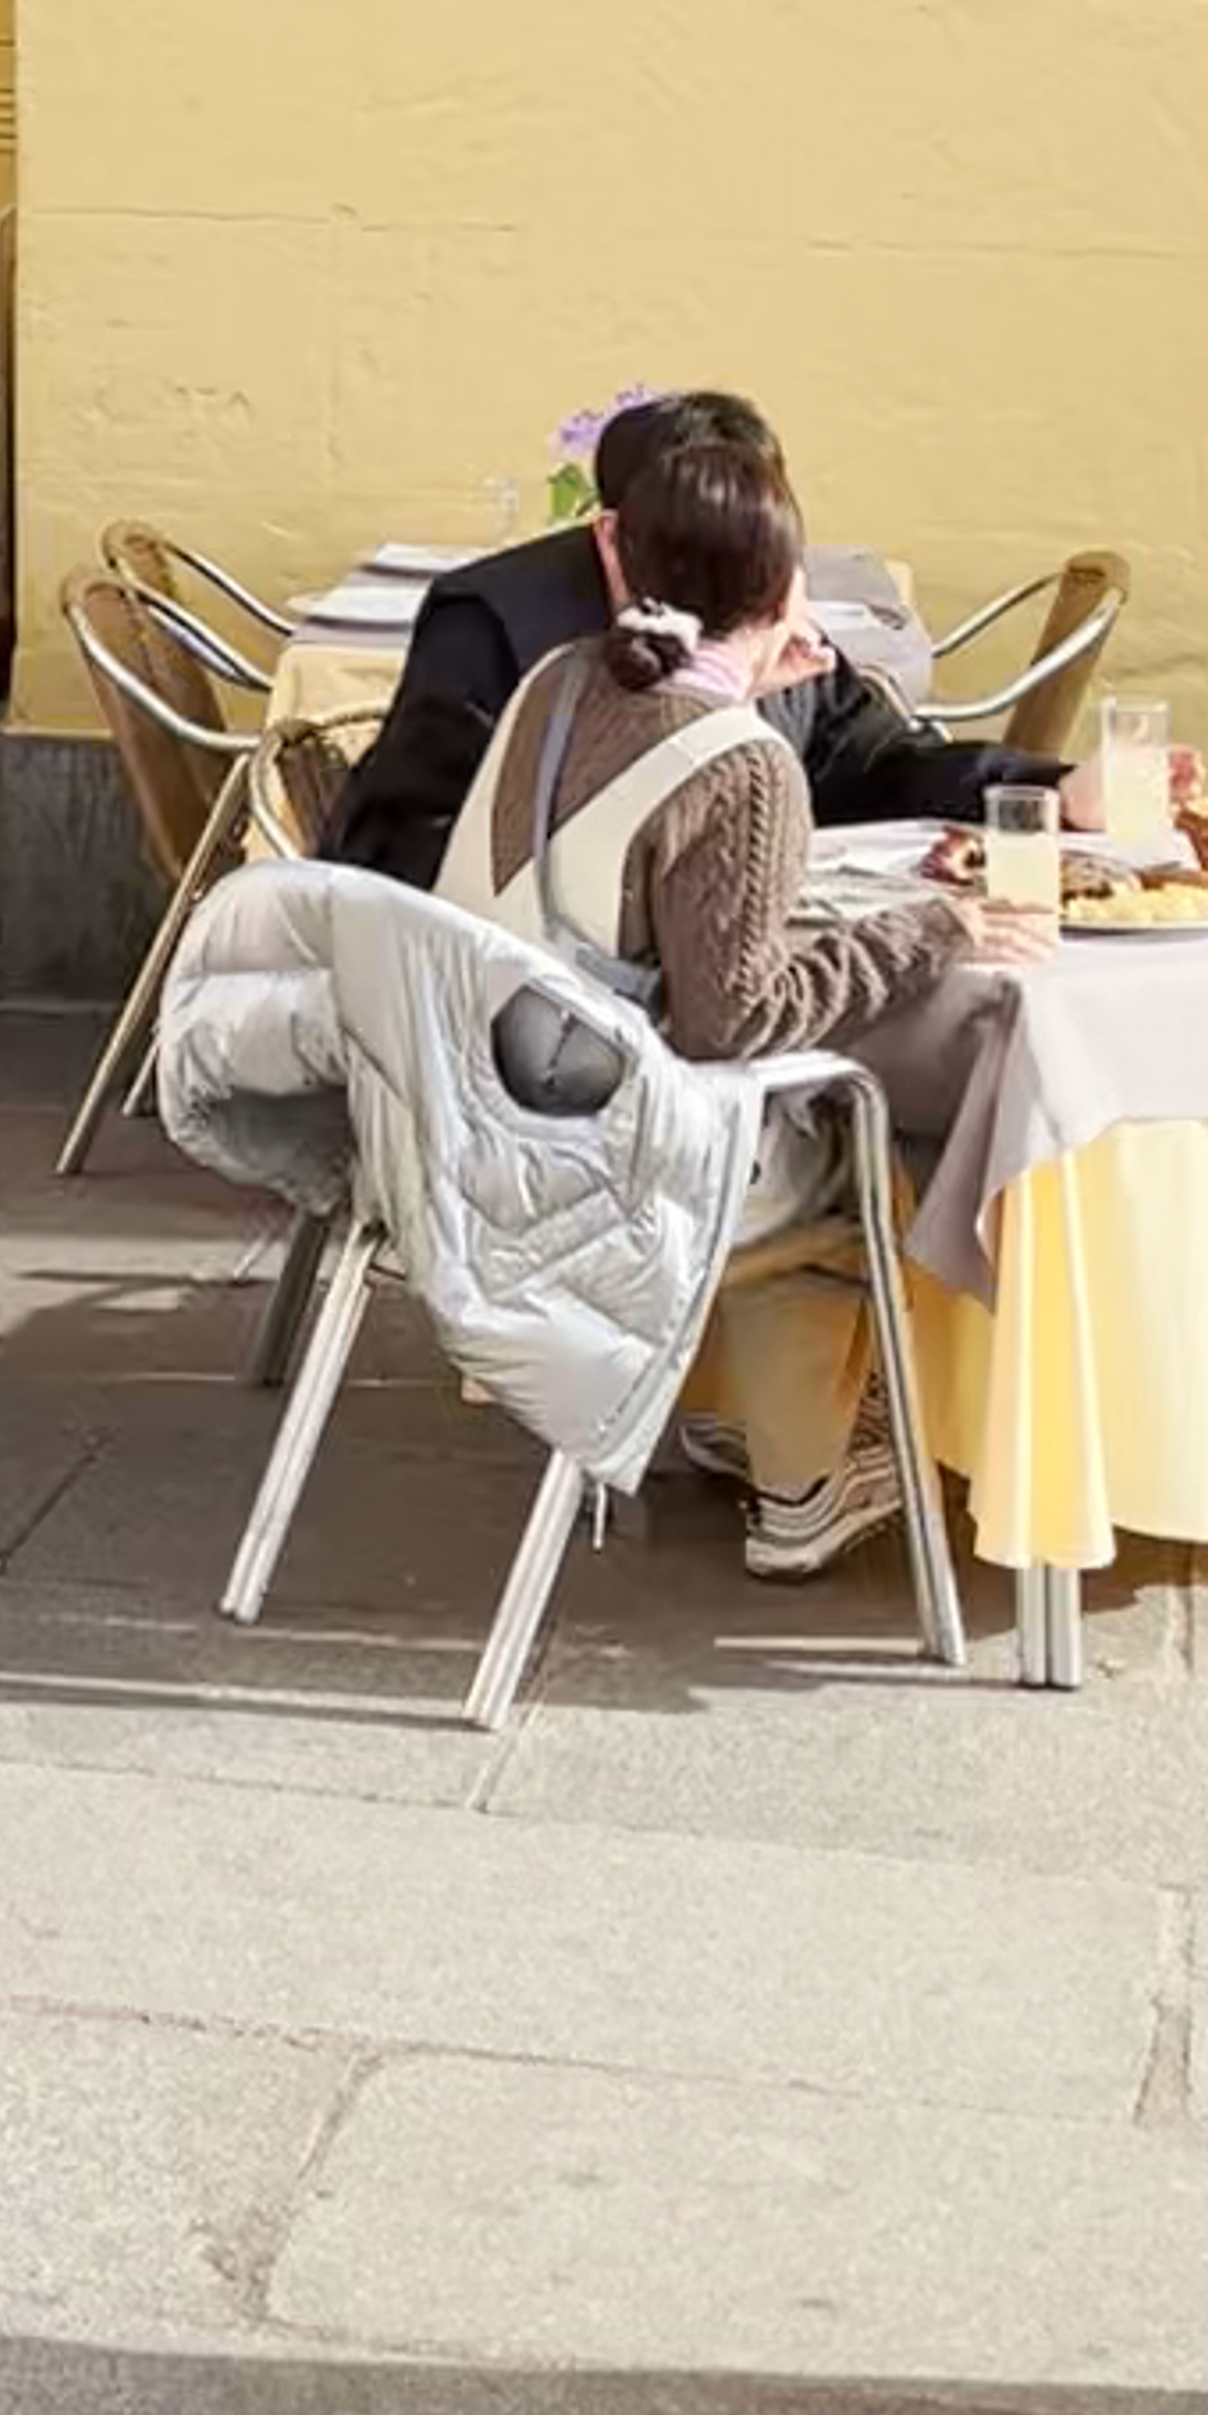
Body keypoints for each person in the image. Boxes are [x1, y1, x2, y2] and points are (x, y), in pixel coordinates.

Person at [450, 417, 1016, 1580]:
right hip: (611, 1167)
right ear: (785, 583)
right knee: (862, 1124)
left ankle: (726, 1409)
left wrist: (754, 678)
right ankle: (807, 1470)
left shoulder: (560, 680)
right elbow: (737, 1018)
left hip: (470, 1109)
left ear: (624, 561)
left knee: (786, 1100)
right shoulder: (742, 764)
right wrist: (935, 930)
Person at [330, 384, 1092, 889]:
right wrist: (715, 705)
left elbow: (880, 761)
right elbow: (403, 849)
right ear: (611, 534)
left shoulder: (761, 600)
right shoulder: (496, 624)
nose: (735, 569)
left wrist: (1049, 789)